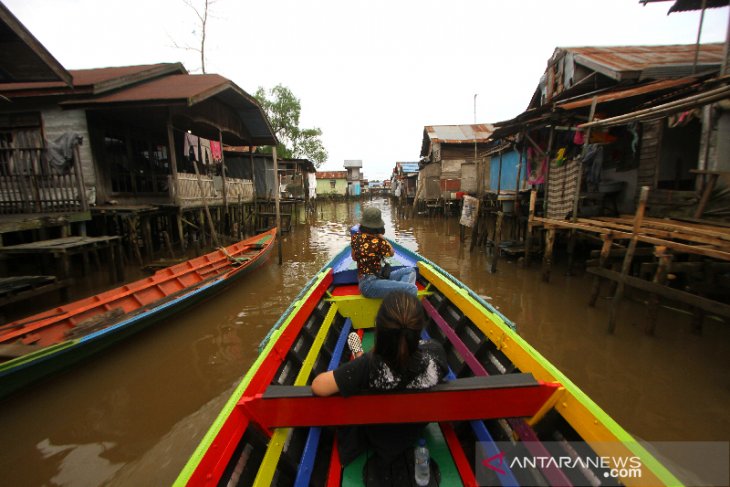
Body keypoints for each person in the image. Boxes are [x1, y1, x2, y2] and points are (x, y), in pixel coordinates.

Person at [312, 291, 449, 483]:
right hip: (414, 429)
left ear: (379, 330)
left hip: (376, 435)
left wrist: (361, 359)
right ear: (418, 330)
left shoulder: (366, 366)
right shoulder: (435, 353)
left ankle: (358, 351)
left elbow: (318, 386)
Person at [351, 207, 417, 298]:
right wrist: (382, 237)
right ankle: (401, 296)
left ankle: (399, 294)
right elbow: (392, 252)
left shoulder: (355, 237)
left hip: (372, 278)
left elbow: (354, 257)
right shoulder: (379, 242)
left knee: (410, 271)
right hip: (370, 285)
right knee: (412, 289)